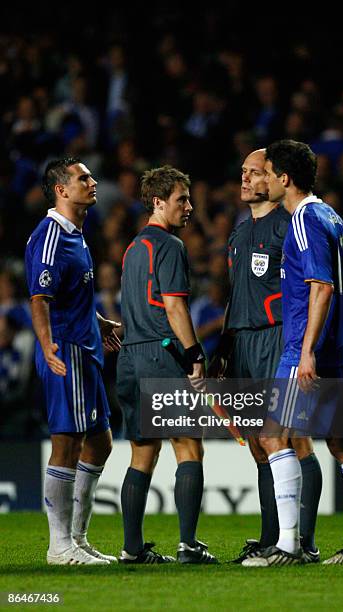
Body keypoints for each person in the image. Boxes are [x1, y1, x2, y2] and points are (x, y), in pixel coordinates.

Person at [243, 139, 343, 567]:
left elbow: (322, 286)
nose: (263, 179)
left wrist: (309, 350)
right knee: (340, 440)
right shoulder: (333, 217)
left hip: (304, 346)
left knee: (274, 436)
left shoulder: (303, 219)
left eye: (268, 172)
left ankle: (289, 545)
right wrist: (336, 339)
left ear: (284, 178)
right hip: (339, 345)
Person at [208, 149, 322, 564]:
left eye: (254, 173)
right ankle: (270, 537)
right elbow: (237, 298)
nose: (245, 179)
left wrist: (307, 343)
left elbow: (312, 286)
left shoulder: (290, 227)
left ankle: (303, 542)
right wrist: (222, 350)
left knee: (293, 440)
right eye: (242, 172)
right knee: (259, 445)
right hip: (243, 346)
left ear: (274, 179)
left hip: (279, 340)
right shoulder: (239, 235)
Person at [117, 165, 217, 564]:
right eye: (181, 199)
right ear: (158, 202)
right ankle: (189, 545)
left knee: (142, 455)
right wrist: (194, 353)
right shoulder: (169, 246)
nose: (189, 207)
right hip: (162, 355)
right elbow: (174, 306)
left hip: (130, 356)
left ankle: (132, 549)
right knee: (189, 447)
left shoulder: (132, 248)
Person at [25, 157, 121, 565]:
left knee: (100, 441)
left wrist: (97, 322)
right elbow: (39, 299)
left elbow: (68, 295)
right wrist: (48, 347)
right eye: (83, 178)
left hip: (84, 346)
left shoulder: (77, 234)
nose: (92, 181)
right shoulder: (49, 236)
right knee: (67, 443)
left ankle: (77, 540)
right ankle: (59, 545)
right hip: (66, 351)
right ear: (62, 190)